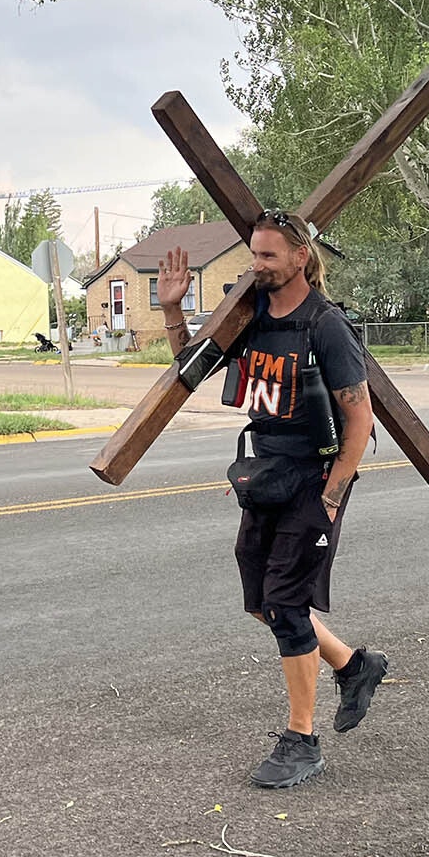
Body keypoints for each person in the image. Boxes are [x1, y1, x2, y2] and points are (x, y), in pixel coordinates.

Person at [156, 210, 388, 790]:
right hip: (264, 474)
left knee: (285, 604)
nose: (255, 266)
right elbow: (190, 369)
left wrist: (333, 496)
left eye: (267, 256)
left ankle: (301, 740)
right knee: (262, 601)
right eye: (252, 255)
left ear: (299, 257)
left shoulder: (324, 326)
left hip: (315, 477)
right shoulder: (252, 318)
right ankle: (355, 666)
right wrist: (171, 310)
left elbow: (360, 416)